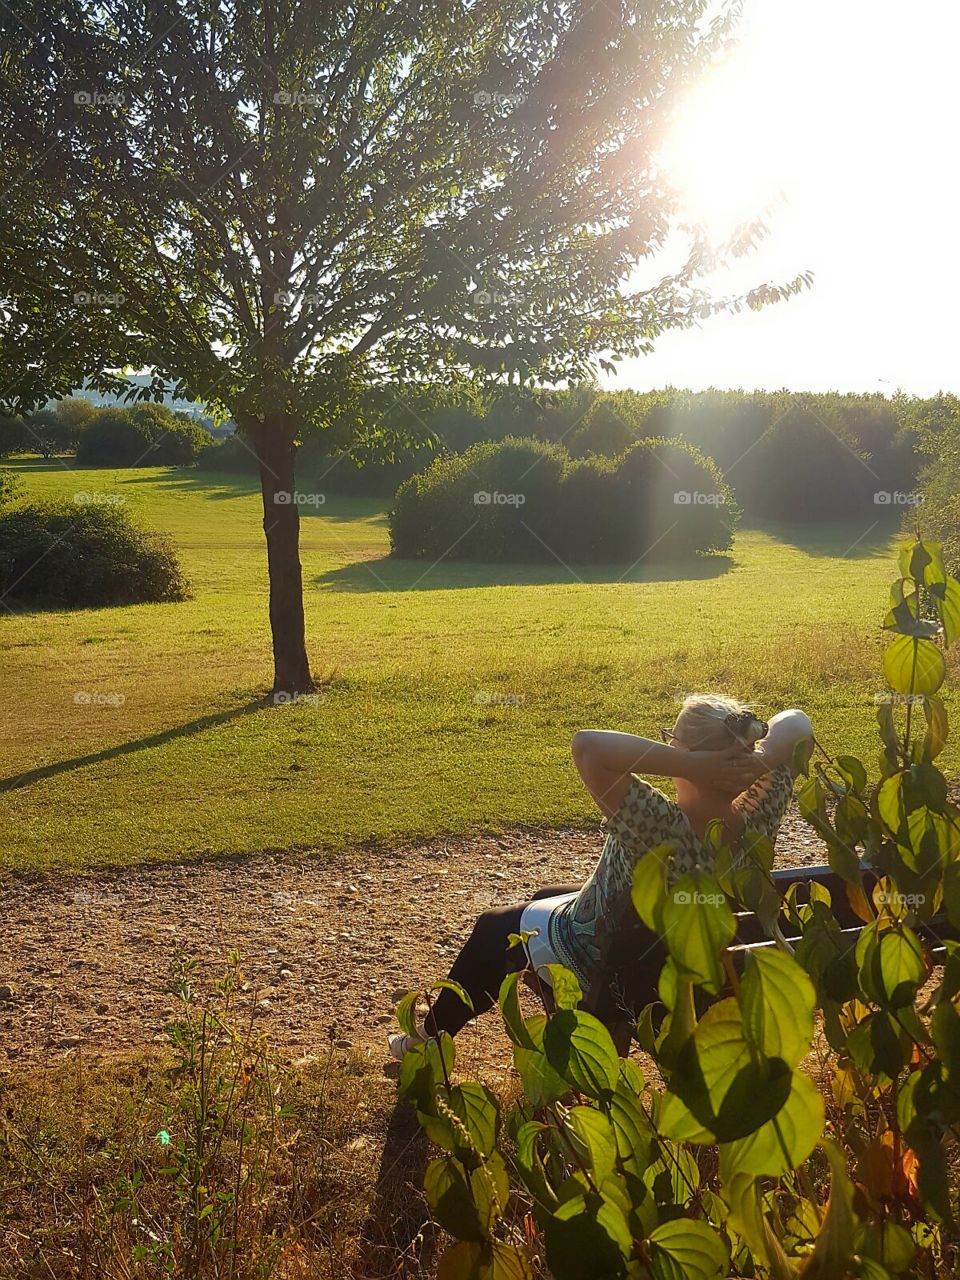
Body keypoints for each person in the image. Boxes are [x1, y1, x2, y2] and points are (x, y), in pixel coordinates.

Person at [388, 694, 813, 1058]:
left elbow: (588, 746)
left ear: (692, 758)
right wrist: (759, 762)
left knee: (493, 929)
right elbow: (797, 724)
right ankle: (562, 1008)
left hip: (611, 967)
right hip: (690, 957)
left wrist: (689, 764)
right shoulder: (759, 817)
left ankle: (428, 1040)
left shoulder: (658, 825)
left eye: (673, 743)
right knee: (545, 895)